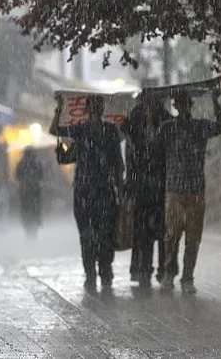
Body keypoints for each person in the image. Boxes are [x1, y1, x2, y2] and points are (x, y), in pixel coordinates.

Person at [50, 95, 124, 293]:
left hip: (104, 191)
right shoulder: (80, 130)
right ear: (88, 109)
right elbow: (55, 131)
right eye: (94, 106)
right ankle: (91, 273)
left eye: (99, 106)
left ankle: (104, 270)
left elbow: (118, 163)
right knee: (87, 236)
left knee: (105, 234)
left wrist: (120, 190)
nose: (96, 109)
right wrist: (59, 109)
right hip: (85, 192)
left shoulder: (110, 131)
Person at [157, 89, 221, 295]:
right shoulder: (167, 128)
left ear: (190, 105)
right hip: (174, 190)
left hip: (195, 190)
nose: (183, 107)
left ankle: (188, 277)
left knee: (193, 238)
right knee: (172, 235)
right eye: (179, 103)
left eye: (186, 103)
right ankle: (169, 273)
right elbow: (153, 146)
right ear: (176, 106)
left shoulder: (200, 127)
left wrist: (216, 102)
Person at [121, 97, 174, 288]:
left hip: (159, 186)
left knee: (161, 231)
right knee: (144, 232)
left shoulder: (165, 121)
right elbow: (130, 150)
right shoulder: (135, 120)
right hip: (143, 187)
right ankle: (144, 269)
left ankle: (162, 270)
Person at [15, 147, 44, 238]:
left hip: (25, 191)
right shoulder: (37, 163)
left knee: (26, 210)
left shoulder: (21, 163)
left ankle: (27, 228)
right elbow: (41, 176)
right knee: (35, 209)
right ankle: (34, 228)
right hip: (35, 191)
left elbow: (17, 176)